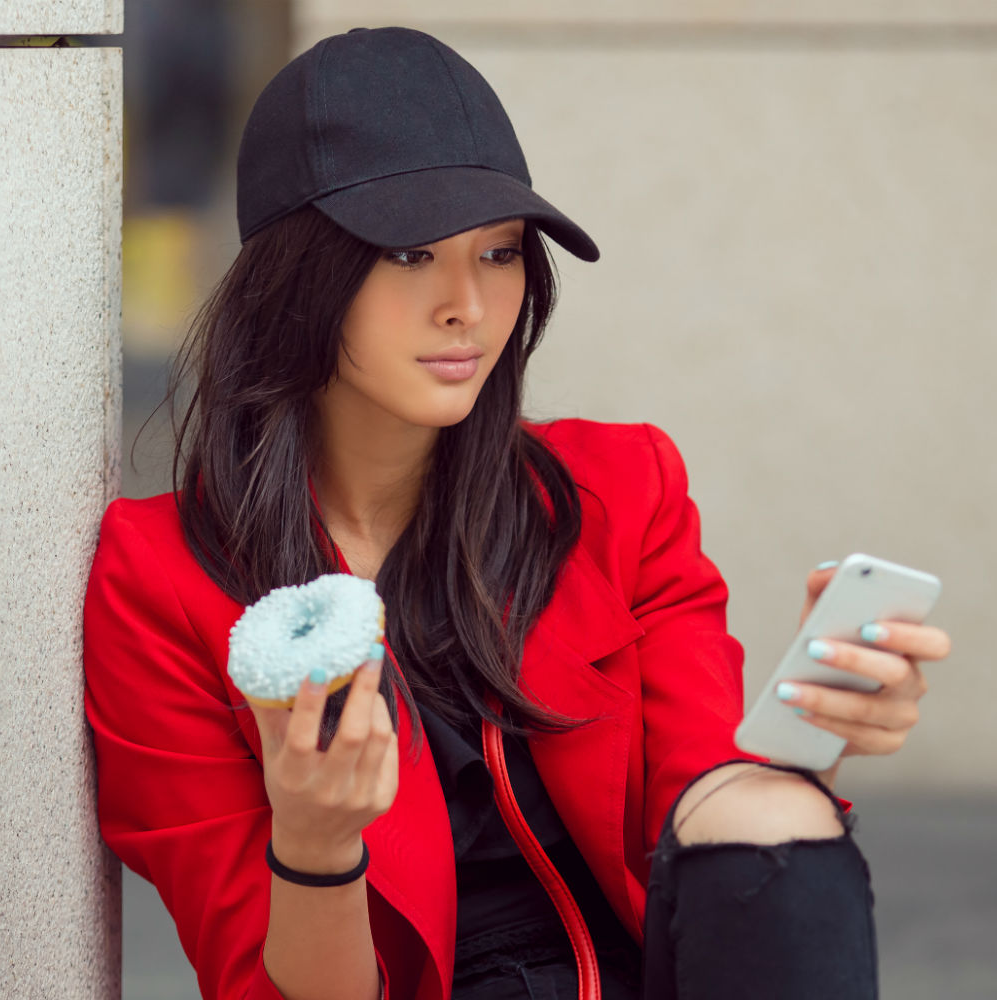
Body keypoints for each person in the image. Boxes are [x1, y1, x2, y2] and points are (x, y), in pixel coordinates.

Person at [81, 25, 951, 1000]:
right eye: (411, 253)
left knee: (782, 826)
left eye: (498, 252)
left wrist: (811, 735)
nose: (469, 304)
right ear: (299, 276)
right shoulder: (163, 577)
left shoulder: (621, 486)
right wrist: (316, 843)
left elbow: (701, 798)